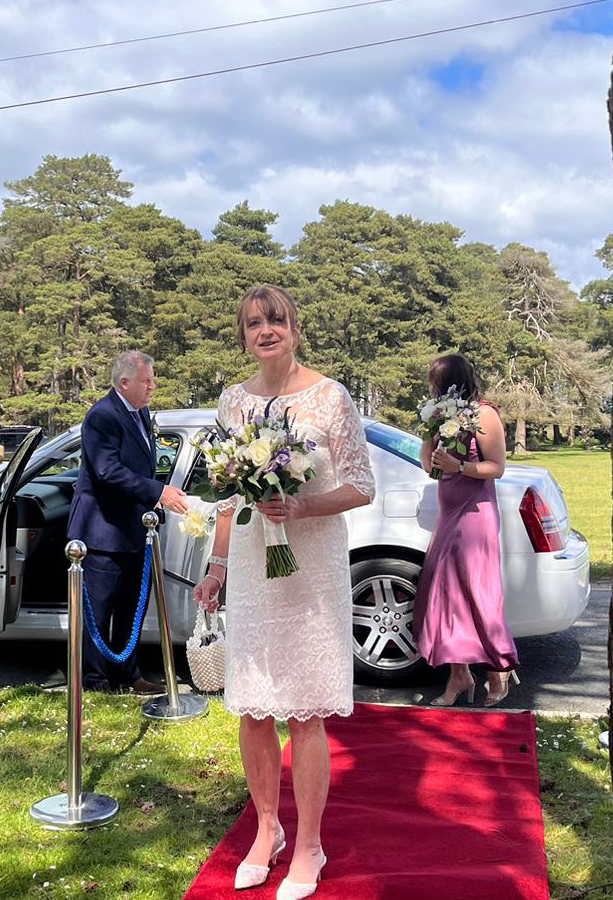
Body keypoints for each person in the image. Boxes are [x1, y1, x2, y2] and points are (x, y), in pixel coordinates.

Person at [194, 284, 375, 900]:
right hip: (251, 565)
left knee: (306, 711)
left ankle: (310, 846)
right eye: (252, 323)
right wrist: (215, 566)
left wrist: (300, 504)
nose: (264, 330)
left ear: (295, 327)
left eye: (275, 320)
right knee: (252, 709)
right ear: (243, 336)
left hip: (312, 569)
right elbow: (225, 492)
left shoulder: (331, 397)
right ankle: (267, 828)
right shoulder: (232, 402)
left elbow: (361, 485)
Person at [67, 350, 189, 694]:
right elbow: (107, 471)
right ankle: (94, 682)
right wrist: (158, 492)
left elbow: (137, 466)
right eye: (146, 380)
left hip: (133, 532)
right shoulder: (102, 416)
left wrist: (157, 495)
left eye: (152, 379)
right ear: (124, 382)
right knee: (99, 611)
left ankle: (127, 675)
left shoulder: (140, 412)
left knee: (129, 610)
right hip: (103, 532)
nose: (153, 386)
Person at [412, 354, 518, 707]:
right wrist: (431, 432)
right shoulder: (442, 415)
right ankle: (459, 676)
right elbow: (429, 466)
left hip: (476, 516)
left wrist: (460, 465)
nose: (432, 388)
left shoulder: (484, 414)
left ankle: (497, 672)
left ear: (451, 381)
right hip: (449, 515)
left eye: (435, 383)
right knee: (446, 596)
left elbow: (497, 467)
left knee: (479, 594)